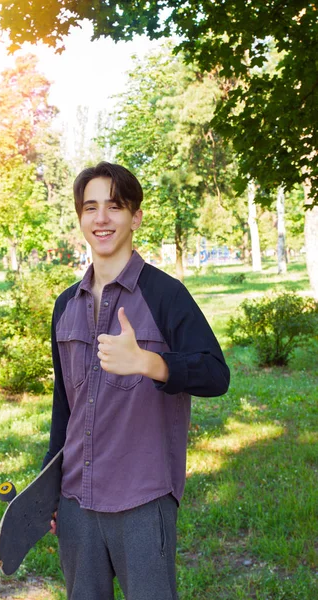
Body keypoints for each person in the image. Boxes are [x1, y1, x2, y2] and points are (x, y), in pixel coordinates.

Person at [42, 162, 230, 600]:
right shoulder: (65, 306)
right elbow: (63, 408)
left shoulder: (165, 295)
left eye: (115, 206)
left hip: (142, 501)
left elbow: (216, 374)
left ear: (135, 217)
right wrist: (48, 492)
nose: (101, 218)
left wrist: (151, 363)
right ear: (80, 218)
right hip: (75, 502)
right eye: (90, 208)